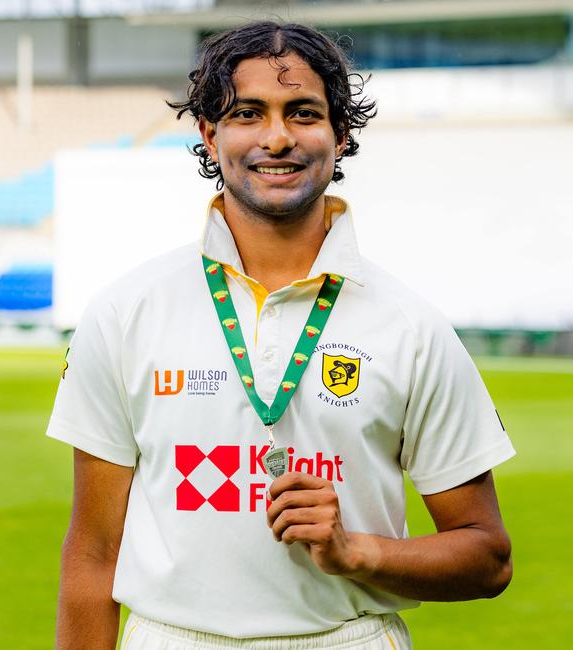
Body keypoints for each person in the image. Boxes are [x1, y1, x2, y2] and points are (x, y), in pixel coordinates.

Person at [46, 20, 515, 650]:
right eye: (247, 113)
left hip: (346, 638)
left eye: (303, 113)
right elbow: (94, 553)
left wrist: (359, 551)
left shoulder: (411, 327)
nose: (277, 137)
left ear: (340, 136)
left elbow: (487, 558)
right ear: (210, 136)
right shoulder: (126, 312)